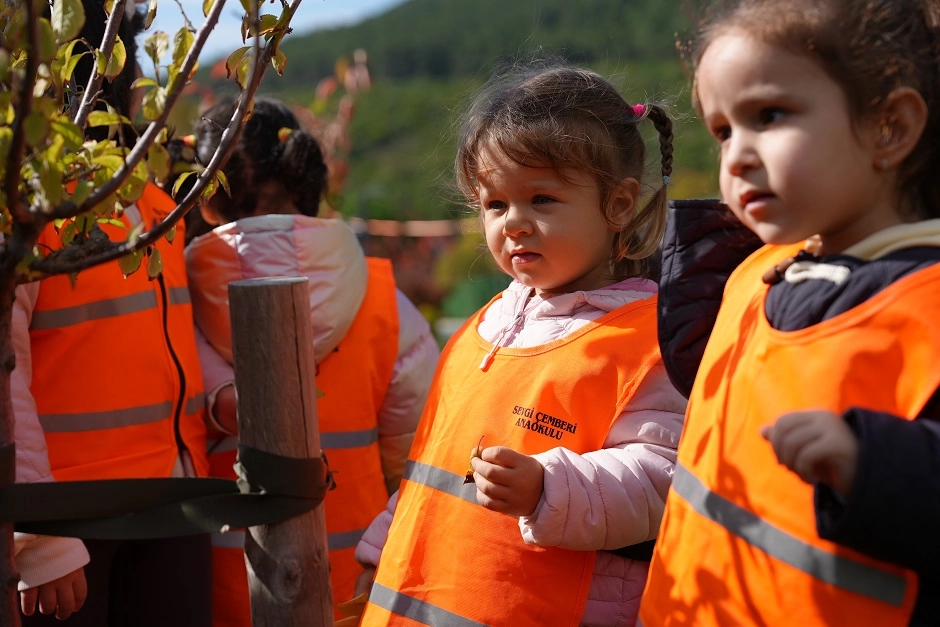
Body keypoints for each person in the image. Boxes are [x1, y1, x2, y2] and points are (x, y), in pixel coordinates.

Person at [639, 1, 940, 625]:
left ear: (890, 126)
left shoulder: (926, 304)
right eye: (723, 131)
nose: (737, 157)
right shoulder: (753, 273)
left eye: (768, 116)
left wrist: (876, 462)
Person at [354, 65, 687, 627]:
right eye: (494, 204)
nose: (514, 223)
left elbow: (661, 478)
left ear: (620, 205)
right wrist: (378, 552)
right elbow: (430, 468)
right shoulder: (478, 329)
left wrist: (547, 487)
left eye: (542, 199)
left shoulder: (647, 340)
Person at [182, 96, 439, 625]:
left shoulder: (172, 300)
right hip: (358, 574)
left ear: (208, 201)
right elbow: (414, 448)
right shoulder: (384, 300)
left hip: (223, 580)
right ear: (306, 179)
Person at [17, 0, 212, 624]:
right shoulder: (25, 209)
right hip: (71, 523)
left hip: (176, 506)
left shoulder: (155, 205)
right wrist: (37, 536)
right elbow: (4, 377)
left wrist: (223, 399)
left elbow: (172, 341)